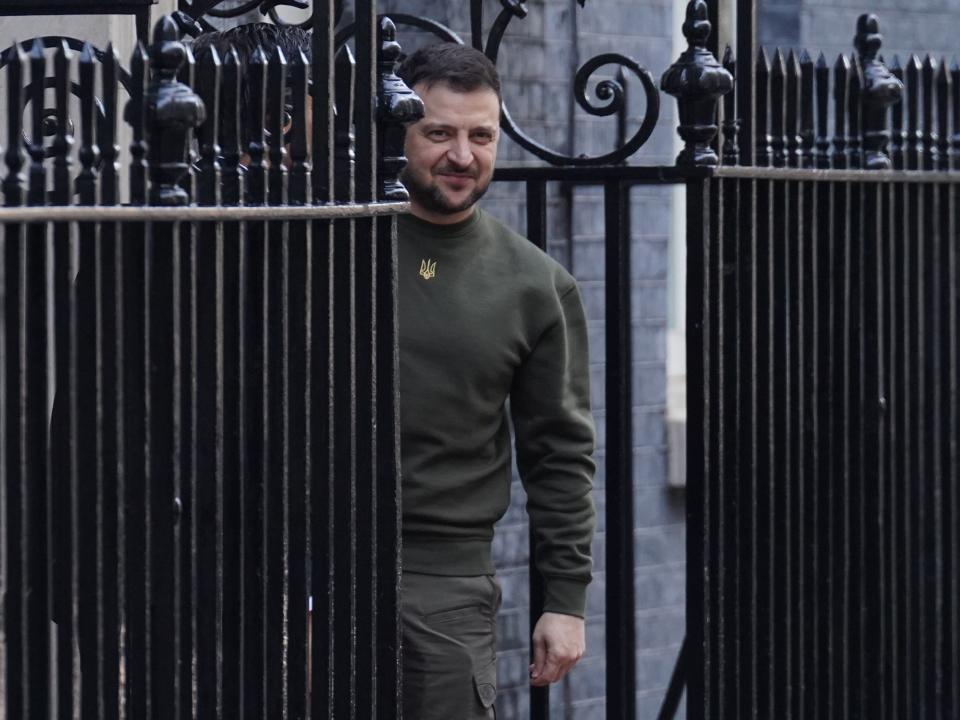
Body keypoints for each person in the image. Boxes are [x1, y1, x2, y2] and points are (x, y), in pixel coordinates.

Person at [395, 43, 596, 719]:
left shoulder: (535, 284)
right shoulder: (332, 241)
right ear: (399, 130)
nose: (462, 155)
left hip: (444, 586)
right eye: (439, 133)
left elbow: (561, 454)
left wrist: (565, 602)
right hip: (297, 577)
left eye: (481, 135)